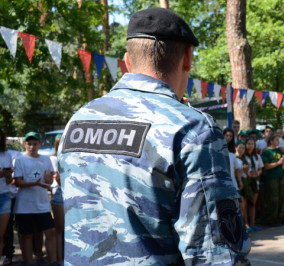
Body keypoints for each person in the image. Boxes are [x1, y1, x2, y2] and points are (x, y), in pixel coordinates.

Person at [57, 8, 250, 265]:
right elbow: (216, 255)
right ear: (187, 59)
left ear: (127, 60)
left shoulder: (78, 120)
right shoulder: (193, 128)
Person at [13, 132, 57, 265]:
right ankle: (27, 261)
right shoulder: (20, 159)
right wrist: (35, 183)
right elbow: (18, 182)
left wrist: (49, 181)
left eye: (35, 143)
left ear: (39, 144)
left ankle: (53, 262)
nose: (32, 146)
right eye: (29, 143)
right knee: (26, 235)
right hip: (24, 206)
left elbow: (48, 182)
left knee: (50, 232)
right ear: (25, 144)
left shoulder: (46, 159)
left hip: (42, 204)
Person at [262, 135, 284, 226]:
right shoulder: (267, 152)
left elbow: (282, 164)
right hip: (272, 177)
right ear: (271, 141)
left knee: (281, 197)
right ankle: (271, 219)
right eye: (276, 139)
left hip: (281, 175)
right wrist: (278, 163)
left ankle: (279, 218)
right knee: (273, 199)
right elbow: (267, 166)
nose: (278, 141)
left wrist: (282, 162)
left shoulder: (279, 150)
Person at [50, 135, 64, 265]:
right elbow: (54, 180)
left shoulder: (72, 157)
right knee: (59, 228)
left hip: (73, 193)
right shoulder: (53, 159)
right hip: (59, 193)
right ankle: (60, 260)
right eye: (59, 143)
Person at [244, 138, 263, 232]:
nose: (250, 145)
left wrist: (258, 173)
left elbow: (260, 168)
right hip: (247, 181)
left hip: (255, 181)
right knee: (245, 204)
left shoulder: (257, 156)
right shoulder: (243, 156)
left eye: (252, 144)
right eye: (248, 143)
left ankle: (253, 224)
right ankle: (246, 224)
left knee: (253, 204)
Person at [0, 129, 14, 263]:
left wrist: (9, 176)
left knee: (1, 235)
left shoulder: (7, 155)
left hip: (4, 197)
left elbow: (9, 182)